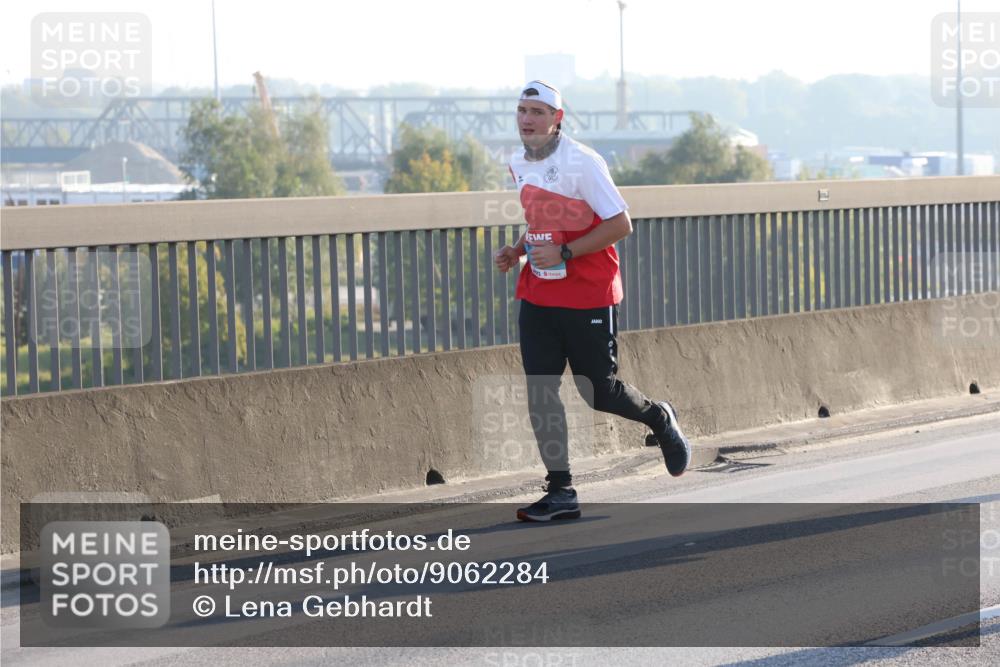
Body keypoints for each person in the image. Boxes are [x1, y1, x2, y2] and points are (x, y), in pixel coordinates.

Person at [493, 80, 691, 523]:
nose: (527, 119)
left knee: (600, 392)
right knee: (541, 391)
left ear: (557, 119)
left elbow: (620, 223)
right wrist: (519, 250)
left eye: (538, 112)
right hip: (538, 292)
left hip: (588, 293)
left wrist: (565, 253)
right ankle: (561, 490)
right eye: (522, 110)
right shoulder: (517, 162)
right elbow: (544, 219)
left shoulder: (583, 162)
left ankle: (659, 418)